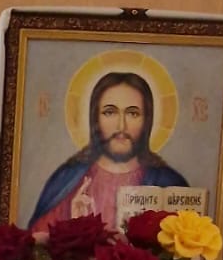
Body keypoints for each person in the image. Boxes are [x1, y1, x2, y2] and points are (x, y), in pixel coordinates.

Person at [29, 71, 187, 232]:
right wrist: (74, 225)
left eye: (133, 113)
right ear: (95, 119)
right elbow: (36, 242)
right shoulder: (67, 180)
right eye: (110, 112)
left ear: (147, 120)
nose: (121, 126)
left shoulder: (168, 182)